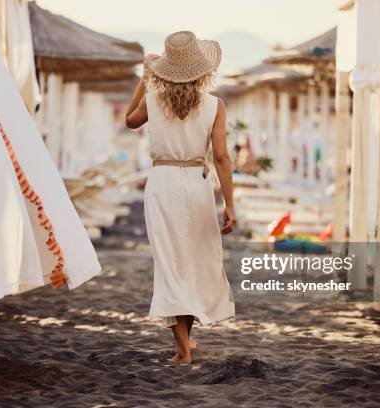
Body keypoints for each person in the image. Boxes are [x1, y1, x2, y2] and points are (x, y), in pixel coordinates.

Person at [124, 31, 236, 364]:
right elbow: (222, 158)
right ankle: (184, 343)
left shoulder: (153, 100)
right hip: (197, 184)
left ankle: (184, 347)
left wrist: (145, 80)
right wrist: (230, 203)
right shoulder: (215, 105)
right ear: (202, 70)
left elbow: (129, 121)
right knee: (194, 261)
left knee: (170, 263)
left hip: (162, 182)